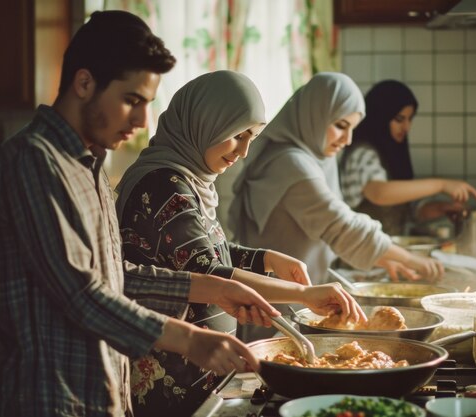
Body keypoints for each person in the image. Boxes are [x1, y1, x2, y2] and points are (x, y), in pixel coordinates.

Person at [0, 11, 282, 417]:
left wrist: (214, 289)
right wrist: (190, 340)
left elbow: (116, 276)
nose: (143, 120)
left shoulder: (88, 164)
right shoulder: (33, 161)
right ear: (85, 82)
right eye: (131, 100)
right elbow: (82, 294)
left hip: (105, 395)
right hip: (50, 399)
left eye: (147, 104)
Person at [114, 70, 364, 416]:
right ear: (205, 123)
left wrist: (264, 258)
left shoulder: (189, 178)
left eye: (253, 137)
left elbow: (205, 249)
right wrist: (305, 295)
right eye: (237, 135)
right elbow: (206, 270)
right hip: (170, 381)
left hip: (198, 374)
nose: (244, 151)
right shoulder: (163, 184)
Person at [229, 72, 444, 309]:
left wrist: (385, 258)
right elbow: (341, 227)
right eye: (341, 126)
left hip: (302, 296)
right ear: (315, 115)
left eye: (352, 128)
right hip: (277, 304)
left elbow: (331, 229)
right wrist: (411, 259)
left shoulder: (314, 157)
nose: (348, 139)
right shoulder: (290, 164)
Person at [339, 80, 476, 237]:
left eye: (410, 119)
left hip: (386, 254)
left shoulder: (391, 152)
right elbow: (380, 193)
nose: (407, 127)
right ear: (381, 116)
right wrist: (441, 184)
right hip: (360, 255)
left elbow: (408, 211)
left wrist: (441, 208)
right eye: (399, 119)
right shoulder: (362, 152)